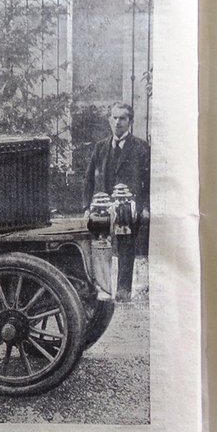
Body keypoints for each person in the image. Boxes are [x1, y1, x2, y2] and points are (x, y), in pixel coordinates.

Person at [83, 102, 151, 302]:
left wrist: (145, 207)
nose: (117, 122)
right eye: (114, 117)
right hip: (102, 208)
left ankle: (123, 293)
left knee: (126, 248)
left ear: (130, 121)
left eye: (122, 118)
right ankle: (103, 290)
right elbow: (88, 179)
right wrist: (86, 207)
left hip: (128, 209)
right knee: (100, 247)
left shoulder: (140, 148)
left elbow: (147, 182)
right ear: (109, 120)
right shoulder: (101, 147)